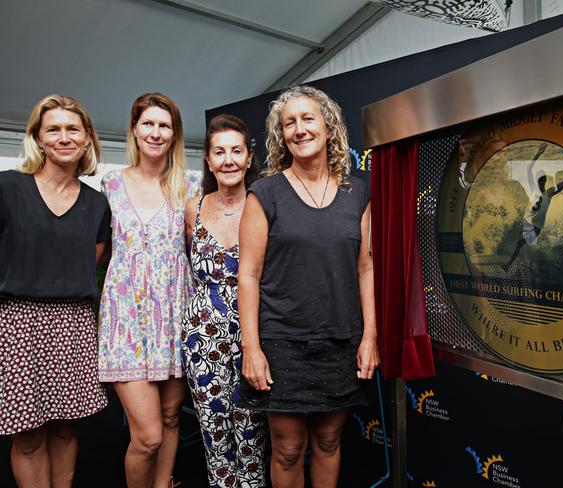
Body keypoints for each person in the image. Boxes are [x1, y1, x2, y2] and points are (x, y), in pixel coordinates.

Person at [238, 85, 380, 488]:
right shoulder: (264, 193)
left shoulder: (358, 191)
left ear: (328, 127)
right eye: (289, 123)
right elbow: (247, 275)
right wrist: (252, 348)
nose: (299, 129)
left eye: (308, 119)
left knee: (329, 440)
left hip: (341, 339)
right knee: (286, 449)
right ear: (281, 136)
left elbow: (366, 267)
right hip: (281, 340)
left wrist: (370, 335)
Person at [0, 95, 110, 487]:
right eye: (54, 129)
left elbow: (91, 259)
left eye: (73, 129)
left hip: (74, 323)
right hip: (18, 323)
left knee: (66, 429)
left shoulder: (97, 205)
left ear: (86, 139)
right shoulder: (8, 187)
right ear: (38, 138)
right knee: (27, 435)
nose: (64, 137)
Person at [98, 93, 200, 488]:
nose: (156, 133)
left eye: (165, 126)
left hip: (175, 317)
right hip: (126, 324)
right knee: (148, 435)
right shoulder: (109, 184)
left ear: (174, 135)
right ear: (135, 130)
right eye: (149, 124)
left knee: (172, 417)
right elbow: (95, 252)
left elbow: (200, 249)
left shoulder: (190, 186)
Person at [182, 114, 267, 488]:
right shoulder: (193, 208)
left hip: (255, 337)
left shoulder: (266, 204)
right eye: (220, 152)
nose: (228, 159)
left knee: (252, 433)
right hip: (202, 340)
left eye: (236, 151)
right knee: (214, 432)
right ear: (208, 159)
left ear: (249, 158)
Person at [504, 143, 563, 271]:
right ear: (536, 179)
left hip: (536, 227)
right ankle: (515, 264)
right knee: (520, 244)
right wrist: (539, 153)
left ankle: (511, 265)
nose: (540, 181)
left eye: (542, 179)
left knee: (521, 244)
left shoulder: (549, 192)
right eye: (538, 179)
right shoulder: (533, 188)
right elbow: (528, 169)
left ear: (545, 181)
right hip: (527, 222)